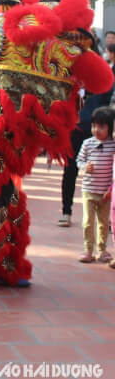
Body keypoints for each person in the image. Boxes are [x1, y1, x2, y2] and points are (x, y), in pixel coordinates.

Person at [59, 53, 113, 227]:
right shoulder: (67, 81)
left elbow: (109, 107)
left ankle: (105, 216)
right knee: (70, 171)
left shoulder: (102, 84)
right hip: (73, 133)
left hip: (98, 135)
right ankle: (66, 211)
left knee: (105, 173)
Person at [76, 107, 115, 263]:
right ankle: (88, 250)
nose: (96, 130)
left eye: (101, 126)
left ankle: (102, 249)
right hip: (89, 190)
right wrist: (85, 168)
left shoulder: (113, 146)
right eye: (94, 126)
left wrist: (110, 189)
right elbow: (79, 161)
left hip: (105, 193)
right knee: (87, 221)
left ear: (110, 128)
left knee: (104, 223)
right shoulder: (87, 143)